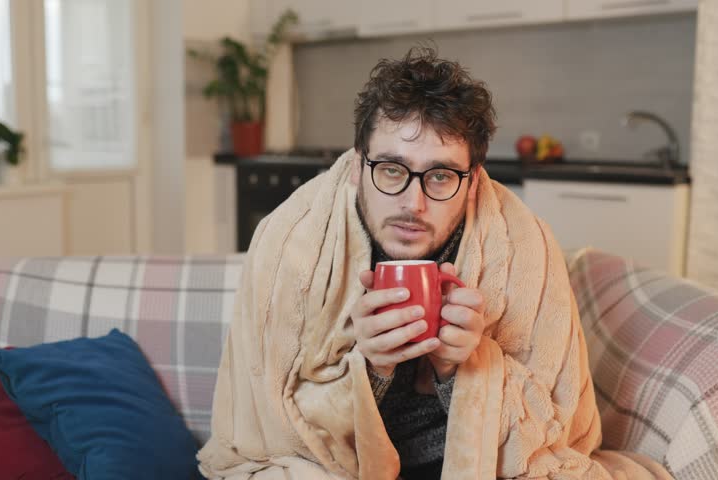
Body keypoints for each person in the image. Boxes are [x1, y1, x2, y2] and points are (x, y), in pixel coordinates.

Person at [197, 47, 672, 480]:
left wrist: (459, 368)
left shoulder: (524, 245)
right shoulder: (290, 240)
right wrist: (371, 370)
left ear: (473, 180)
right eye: (391, 170)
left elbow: (556, 432)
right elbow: (272, 428)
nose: (413, 203)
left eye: (441, 176)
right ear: (358, 164)